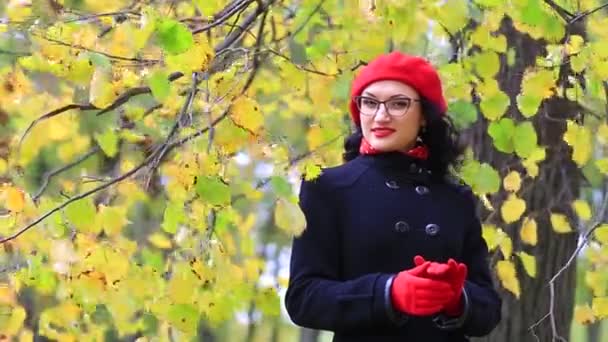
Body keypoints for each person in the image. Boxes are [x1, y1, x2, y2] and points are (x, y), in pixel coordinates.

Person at [284, 51, 502, 341]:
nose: (381, 115)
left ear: (424, 115)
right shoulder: (327, 187)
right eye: (370, 103)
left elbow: (489, 310)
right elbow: (304, 299)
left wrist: (455, 300)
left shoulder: (455, 198)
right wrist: (389, 292)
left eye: (399, 104)